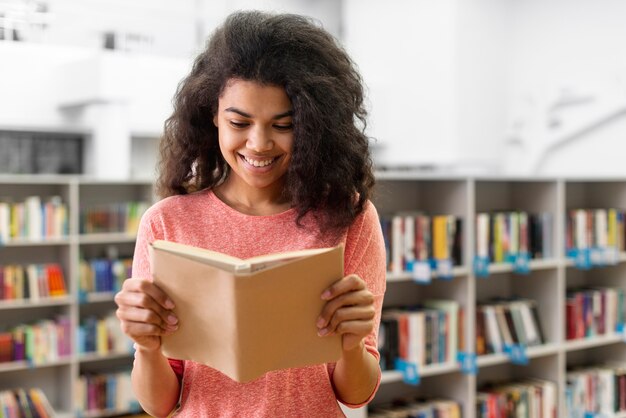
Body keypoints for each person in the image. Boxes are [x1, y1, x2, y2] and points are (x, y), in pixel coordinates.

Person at [114, 10, 387, 418]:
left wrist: (350, 344)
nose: (258, 144)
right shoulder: (166, 223)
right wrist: (148, 347)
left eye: (284, 125)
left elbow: (356, 395)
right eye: (239, 121)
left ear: (314, 125)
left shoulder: (349, 217)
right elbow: (159, 405)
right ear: (212, 116)